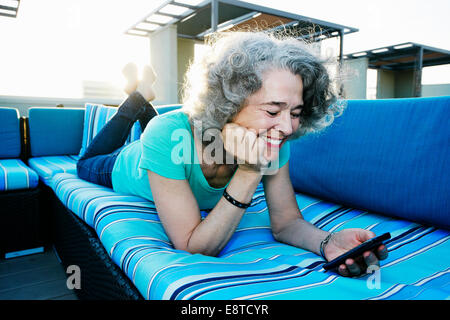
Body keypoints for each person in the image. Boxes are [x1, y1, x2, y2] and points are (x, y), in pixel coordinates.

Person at [77, 31, 388, 277]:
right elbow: (192, 246)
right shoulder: (166, 135)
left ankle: (143, 100)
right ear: (228, 104)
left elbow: (286, 223)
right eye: (272, 110)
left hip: (167, 142)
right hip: (124, 166)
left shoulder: (273, 139)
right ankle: (138, 97)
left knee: (162, 129)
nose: (288, 127)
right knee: (85, 163)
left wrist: (327, 242)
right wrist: (250, 171)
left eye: (295, 112)